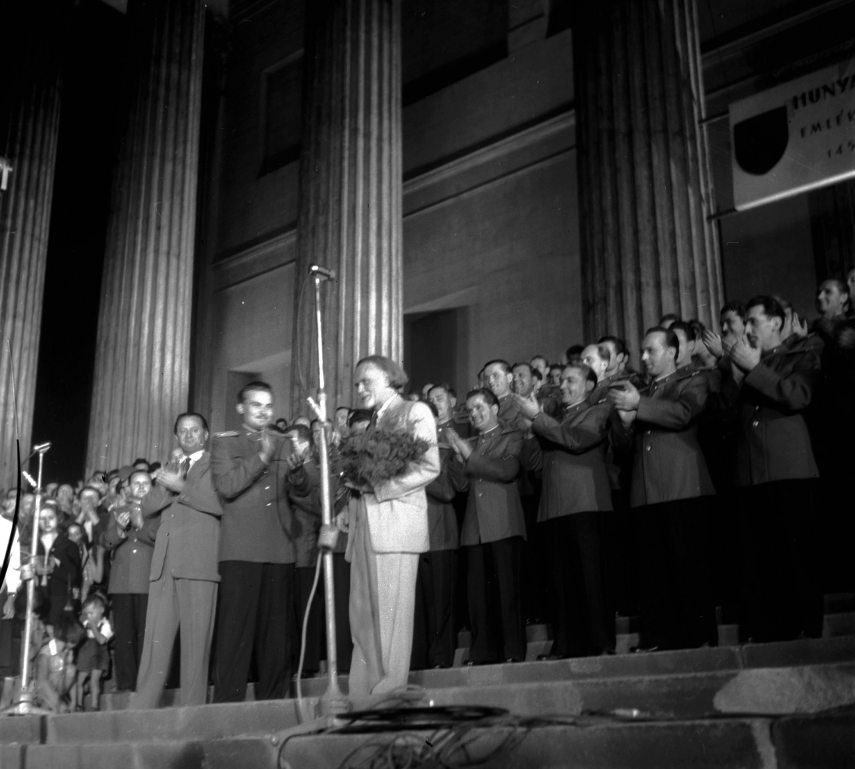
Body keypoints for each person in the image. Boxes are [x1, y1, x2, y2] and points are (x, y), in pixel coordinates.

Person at [722, 295, 823, 641]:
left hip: (788, 469)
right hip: (751, 473)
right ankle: (768, 630)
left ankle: (806, 631)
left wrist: (754, 368)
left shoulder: (802, 353)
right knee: (760, 560)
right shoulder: (751, 362)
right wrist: (737, 376)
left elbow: (797, 395)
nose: (747, 329)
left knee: (796, 558)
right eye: (745, 323)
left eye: (753, 322)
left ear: (776, 322)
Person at [609, 326, 717, 650]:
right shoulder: (643, 389)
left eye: (650, 351)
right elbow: (624, 446)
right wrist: (626, 425)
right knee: (653, 570)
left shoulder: (692, 380)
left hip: (682, 484)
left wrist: (638, 405)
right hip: (646, 489)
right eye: (642, 351)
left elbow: (683, 413)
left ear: (671, 352)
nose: (644, 357)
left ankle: (697, 638)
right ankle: (658, 638)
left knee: (688, 565)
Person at [343, 355, 440, 695]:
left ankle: (390, 687)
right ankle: (364, 688)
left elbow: (430, 467)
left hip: (396, 525)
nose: (359, 389)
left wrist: (380, 488)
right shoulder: (372, 422)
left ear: (388, 377)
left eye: (365, 381)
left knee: (392, 616)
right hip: (367, 528)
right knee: (366, 615)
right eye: (356, 383)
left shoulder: (415, 412)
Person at [211, 382, 311, 702]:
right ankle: (229, 707)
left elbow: (301, 491)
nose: (264, 412)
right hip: (241, 550)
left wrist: (297, 474)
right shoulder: (225, 443)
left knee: (275, 637)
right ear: (241, 408)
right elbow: (227, 486)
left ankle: (273, 703)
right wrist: (263, 457)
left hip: (279, 549)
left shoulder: (285, 442)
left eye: (268, 406)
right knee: (235, 634)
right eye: (256, 405)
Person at [517, 363, 615, 658]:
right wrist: (529, 433)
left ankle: (600, 642)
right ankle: (564, 644)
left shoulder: (598, 410)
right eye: (562, 382)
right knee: (560, 583)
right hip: (553, 507)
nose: (564, 386)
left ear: (589, 385)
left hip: (586, 503)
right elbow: (533, 465)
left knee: (591, 577)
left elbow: (575, 440)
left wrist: (538, 418)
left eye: (572, 381)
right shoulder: (553, 419)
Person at [132, 412, 224, 709]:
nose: (188, 435)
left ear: (206, 434)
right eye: (182, 431)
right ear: (176, 437)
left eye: (194, 430)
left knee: (196, 645)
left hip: (198, 563)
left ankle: (192, 712)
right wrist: (167, 480)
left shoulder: (217, 464)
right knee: (154, 645)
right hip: (163, 566)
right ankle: (142, 709)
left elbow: (218, 503)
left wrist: (181, 486)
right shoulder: (171, 466)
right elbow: (147, 507)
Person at [447, 388, 526, 665]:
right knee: (478, 596)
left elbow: (507, 471)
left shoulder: (512, 435)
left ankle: (513, 651)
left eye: (479, 407)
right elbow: (461, 485)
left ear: (495, 408)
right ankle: (482, 652)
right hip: (474, 527)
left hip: (503, 522)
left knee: (507, 591)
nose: (474, 414)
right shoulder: (472, 442)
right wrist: (458, 462)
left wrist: (469, 457)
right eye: (470, 410)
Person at [101, 470, 155, 692]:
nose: (141, 487)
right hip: (122, 584)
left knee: (146, 635)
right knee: (124, 637)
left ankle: (145, 683)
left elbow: (160, 538)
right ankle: (126, 684)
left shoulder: (158, 512)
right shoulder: (117, 512)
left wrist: (141, 525)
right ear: (128, 488)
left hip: (148, 582)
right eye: (136, 483)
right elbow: (106, 542)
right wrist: (120, 530)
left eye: (146, 483)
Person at [74, 592, 112, 711]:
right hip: (85, 654)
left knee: (94, 680)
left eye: (91, 613)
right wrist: (84, 619)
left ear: (101, 610)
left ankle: (94, 706)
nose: (89, 616)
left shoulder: (105, 625)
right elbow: (81, 620)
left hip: (98, 655)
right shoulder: (86, 622)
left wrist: (93, 627)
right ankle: (79, 705)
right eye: (87, 613)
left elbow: (101, 640)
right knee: (79, 680)